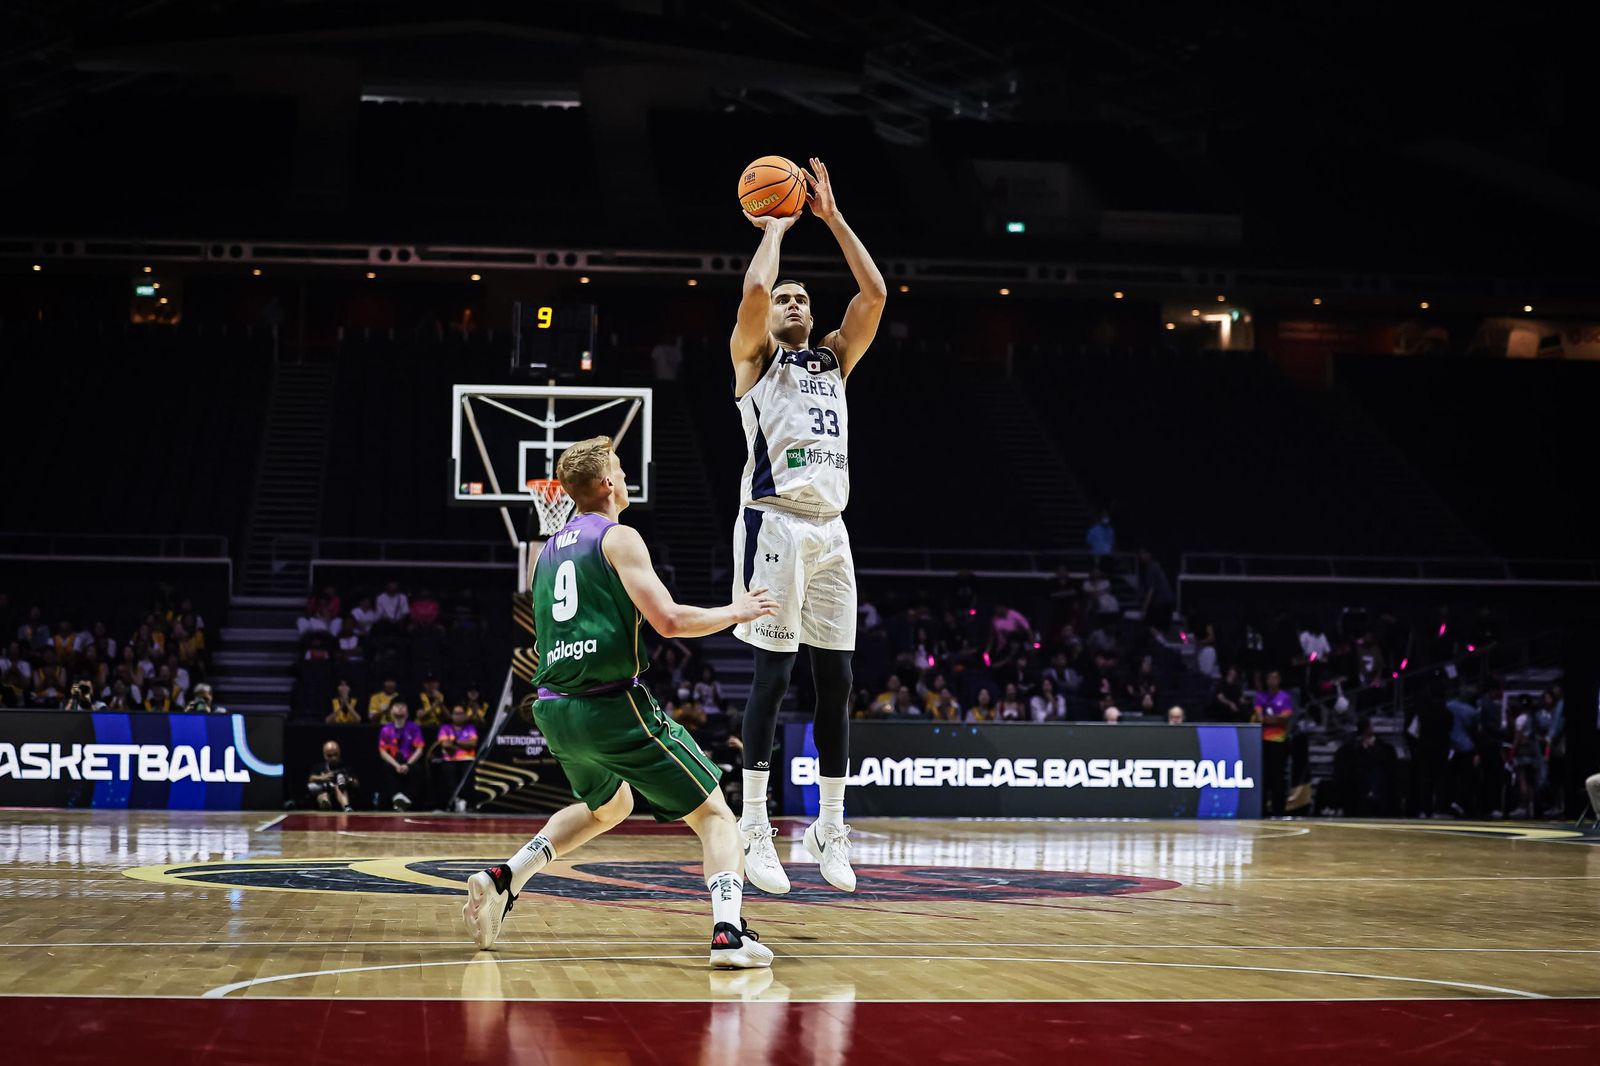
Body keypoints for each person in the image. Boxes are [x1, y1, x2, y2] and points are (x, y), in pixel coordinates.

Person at [463, 436, 780, 969]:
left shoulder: (546, 554)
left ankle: (505, 877)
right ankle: (729, 933)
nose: (627, 477)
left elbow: (543, 642)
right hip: (610, 704)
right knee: (715, 815)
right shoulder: (618, 537)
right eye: (621, 469)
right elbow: (670, 622)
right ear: (607, 483)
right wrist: (737, 610)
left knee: (610, 807)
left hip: (554, 708)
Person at [727, 157, 886, 898]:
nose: (791, 301)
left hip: (833, 531)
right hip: (776, 526)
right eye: (785, 298)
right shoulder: (755, 361)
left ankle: (829, 824)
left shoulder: (834, 360)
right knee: (774, 674)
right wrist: (776, 228)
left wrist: (832, 218)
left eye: (802, 298)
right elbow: (755, 291)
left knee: (838, 679)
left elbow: (875, 294)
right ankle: (755, 825)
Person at [1253, 670, 1294, 816]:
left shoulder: (1285, 697)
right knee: (1264, 777)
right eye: (1270, 677)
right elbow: (1259, 717)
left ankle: (1279, 811)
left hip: (1279, 741)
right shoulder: (1260, 697)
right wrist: (1273, 719)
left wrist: (1271, 719)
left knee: (1278, 778)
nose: (1272, 680)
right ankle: (1262, 810)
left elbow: (1285, 717)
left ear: (1279, 680)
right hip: (1263, 742)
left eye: (1275, 677)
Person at [377, 700, 424, 810]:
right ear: (391, 710)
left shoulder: (414, 728)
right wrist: (396, 765)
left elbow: (419, 749)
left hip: (409, 761)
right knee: (386, 768)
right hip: (393, 762)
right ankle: (397, 798)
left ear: (407, 712)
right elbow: (382, 752)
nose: (400, 708)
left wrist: (407, 765)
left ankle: (406, 799)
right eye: (397, 705)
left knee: (417, 769)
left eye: (403, 706)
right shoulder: (386, 729)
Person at [434, 705, 479, 811]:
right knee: (448, 774)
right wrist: (463, 745)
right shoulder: (445, 728)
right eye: (456, 713)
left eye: (461, 713)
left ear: (465, 715)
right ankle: (455, 801)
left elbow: (473, 744)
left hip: (467, 759)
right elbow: (445, 744)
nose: (458, 716)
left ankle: (466, 802)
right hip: (449, 759)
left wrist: (455, 742)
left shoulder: (470, 728)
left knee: (468, 775)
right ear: (451, 715)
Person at [307, 740, 357, 812]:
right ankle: (325, 806)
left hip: (342, 796)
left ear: (339, 753)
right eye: (329, 755)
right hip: (325, 791)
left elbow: (356, 783)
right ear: (324, 755)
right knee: (323, 795)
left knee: (339, 788)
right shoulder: (319, 767)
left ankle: (347, 807)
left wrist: (348, 780)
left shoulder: (346, 767)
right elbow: (311, 779)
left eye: (335, 754)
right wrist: (322, 778)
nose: (333, 758)